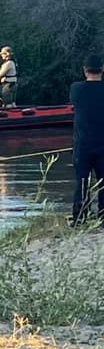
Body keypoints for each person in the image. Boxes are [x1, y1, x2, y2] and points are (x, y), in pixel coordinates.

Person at [71, 55, 104, 224]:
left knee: (82, 182)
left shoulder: (76, 89)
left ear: (85, 70)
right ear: (102, 69)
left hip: (83, 144)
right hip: (103, 143)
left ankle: (79, 217)